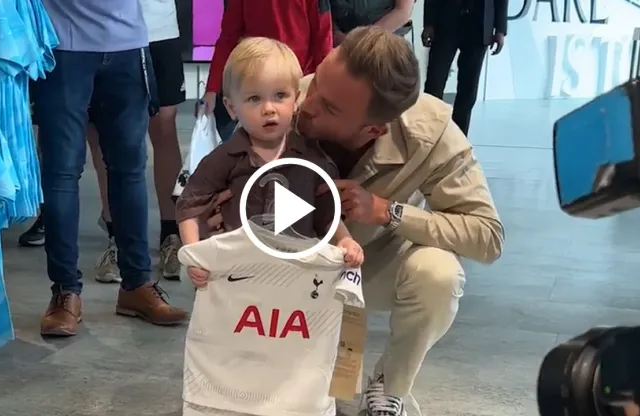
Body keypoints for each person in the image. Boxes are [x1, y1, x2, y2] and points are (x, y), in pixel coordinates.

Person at [203, 26, 504, 416]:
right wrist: (219, 211)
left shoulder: (431, 133)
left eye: (329, 108)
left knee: (439, 276)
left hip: (372, 264)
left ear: (373, 129)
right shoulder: (284, 96)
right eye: (316, 84)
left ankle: (390, 386)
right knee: (316, 401)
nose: (306, 104)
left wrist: (386, 211)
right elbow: (221, 178)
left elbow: (488, 236)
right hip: (290, 269)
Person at [35, 0, 188, 337]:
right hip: (64, 44)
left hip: (129, 43)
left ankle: (136, 284)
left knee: (130, 168)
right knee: (62, 171)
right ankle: (65, 292)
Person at [175, 37, 364, 289]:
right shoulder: (223, 159)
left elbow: (327, 211)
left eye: (280, 95)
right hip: (235, 275)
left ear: (296, 99)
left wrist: (345, 240)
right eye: (254, 98)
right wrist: (194, 256)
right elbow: (189, 206)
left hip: (296, 276)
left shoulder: (312, 158)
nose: (269, 109)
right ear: (231, 108)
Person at [86, 0, 187, 284]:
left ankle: (171, 233)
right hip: (102, 30)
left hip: (159, 30)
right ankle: (116, 236)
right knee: (103, 134)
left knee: (164, 127)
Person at [200, 0, 333, 141]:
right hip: (255, 84)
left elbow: (323, 40)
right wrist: (212, 89)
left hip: (297, 85)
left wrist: (321, 89)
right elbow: (228, 37)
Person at [421, 0, 507, 135]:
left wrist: (500, 29)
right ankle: (428, 136)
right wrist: (429, 23)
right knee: (434, 84)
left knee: (468, 90)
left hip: (480, 23)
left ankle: (458, 140)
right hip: (445, 20)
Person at [329, 0, 414, 46]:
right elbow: (322, 6)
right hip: (337, 44)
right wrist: (336, 35)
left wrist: (361, 39)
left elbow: (403, 12)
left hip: (385, 46)